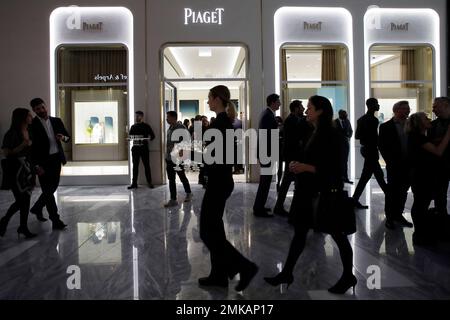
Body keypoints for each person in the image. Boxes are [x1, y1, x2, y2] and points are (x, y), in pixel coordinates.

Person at [264, 95, 357, 294]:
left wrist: (305, 166)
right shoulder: (314, 132)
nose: (306, 111)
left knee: (338, 236)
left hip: (324, 194)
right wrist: (297, 164)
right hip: (309, 193)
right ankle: (287, 272)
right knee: (299, 234)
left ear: (321, 111)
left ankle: (348, 275)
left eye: (310, 108)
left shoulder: (333, 135)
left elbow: (334, 170)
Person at [198, 85, 258, 291]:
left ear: (217, 99)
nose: (207, 102)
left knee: (207, 231)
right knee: (214, 230)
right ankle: (219, 275)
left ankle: (244, 266)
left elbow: (217, 157)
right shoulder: (223, 123)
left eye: (209, 98)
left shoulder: (220, 124)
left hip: (219, 182)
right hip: (221, 181)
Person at [406, 112, 450, 246]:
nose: (429, 119)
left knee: (420, 204)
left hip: (422, 176)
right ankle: (419, 234)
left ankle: (420, 233)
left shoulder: (419, 137)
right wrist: (448, 133)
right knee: (420, 205)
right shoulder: (417, 137)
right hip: (421, 177)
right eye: (425, 118)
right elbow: (438, 151)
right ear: (419, 123)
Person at [29, 98, 69, 230]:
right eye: (37, 109)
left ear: (46, 106)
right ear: (34, 111)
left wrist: (62, 138)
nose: (41, 110)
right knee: (48, 190)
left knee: (52, 187)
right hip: (42, 163)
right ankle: (55, 220)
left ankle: (37, 207)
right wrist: (35, 166)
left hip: (56, 160)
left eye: (42, 107)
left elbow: (68, 138)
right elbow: (31, 149)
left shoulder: (56, 121)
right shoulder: (32, 125)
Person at [0, 108, 37, 238]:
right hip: (16, 171)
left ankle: (23, 227)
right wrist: (22, 146)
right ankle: (5, 220)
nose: (31, 117)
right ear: (21, 118)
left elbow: (32, 152)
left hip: (28, 170)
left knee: (26, 200)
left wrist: (35, 167)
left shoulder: (30, 131)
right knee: (21, 200)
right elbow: (5, 152)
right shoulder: (11, 134)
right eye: (28, 115)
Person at [378, 101, 413, 229]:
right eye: (405, 109)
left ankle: (398, 214)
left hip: (409, 164)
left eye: (408, 109)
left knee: (403, 191)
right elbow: (381, 146)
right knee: (392, 191)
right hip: (394, 164)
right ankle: (390, 217)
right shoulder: (385, 126)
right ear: (396, 110)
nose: (408, 111)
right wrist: (389, 161)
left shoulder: (412, 125)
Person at [352, 98, 387, 209]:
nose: (378, 105)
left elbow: (357, 136)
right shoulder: (373, 120)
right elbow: (375, 138)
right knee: (378, 177)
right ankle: (392, 200)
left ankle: (354, 200)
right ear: (371, 105)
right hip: (370, 151)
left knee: (366, 177)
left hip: (366, 150)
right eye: (376, 104)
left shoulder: (361, 119)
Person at [253, 94, 281, 218]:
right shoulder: (268, 116)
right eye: (278, 102)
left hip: (266, 153)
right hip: (267, 154)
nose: (279, 104)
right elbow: (268, 136)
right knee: (265, 182)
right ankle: (258, 209)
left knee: (265, 182)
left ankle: (259, 206)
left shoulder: (267, 114)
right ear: (273, 102)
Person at [274, 100, 303, 216]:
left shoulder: (292, 120)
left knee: (289, 182)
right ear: (296, 108)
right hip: (293, 156)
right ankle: (281, 207)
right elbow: (295, 140)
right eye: (301, 107)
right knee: (287, 182)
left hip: (292, 156)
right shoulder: (292, 121)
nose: (303, 109)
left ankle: (283, 206)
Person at [164, 111, 192, 207]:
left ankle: (188, 193)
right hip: (169, 157)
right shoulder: (170, 128)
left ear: (174, 118)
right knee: (171, 179)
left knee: (181, 176)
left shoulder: (180, 128)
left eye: (168, 117)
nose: (167, 119)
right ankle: (173, 199)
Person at [427, 97, 450, 216]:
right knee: (440, 192)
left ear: (446, 105)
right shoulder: (432, 125)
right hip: (439, 165)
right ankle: (442, 215)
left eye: (436, 106)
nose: (433, 109)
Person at [128, 111, 155, 189]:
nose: (136, 117)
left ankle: (149, 182)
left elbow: (153, 136)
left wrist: (146, 139)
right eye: (136, 116)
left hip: (144, 149)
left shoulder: (146, 126)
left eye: (138, 116)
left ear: (142, 117)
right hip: (135, 148)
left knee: (147, 166)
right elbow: (130, 138)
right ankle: (134, 183)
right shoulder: (133, 126)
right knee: (135, 166)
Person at [334, 109, 353, 184]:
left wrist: (348, 137)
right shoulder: (335, 122)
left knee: (345, 162)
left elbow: (351, 131)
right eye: (344, 114)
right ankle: (338, 178)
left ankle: (345, 178)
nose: (346, 115)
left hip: (345, 145)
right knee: (337, 162)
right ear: (340, 114)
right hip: (337, 146)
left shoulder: (347, 121)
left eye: (346, 114)